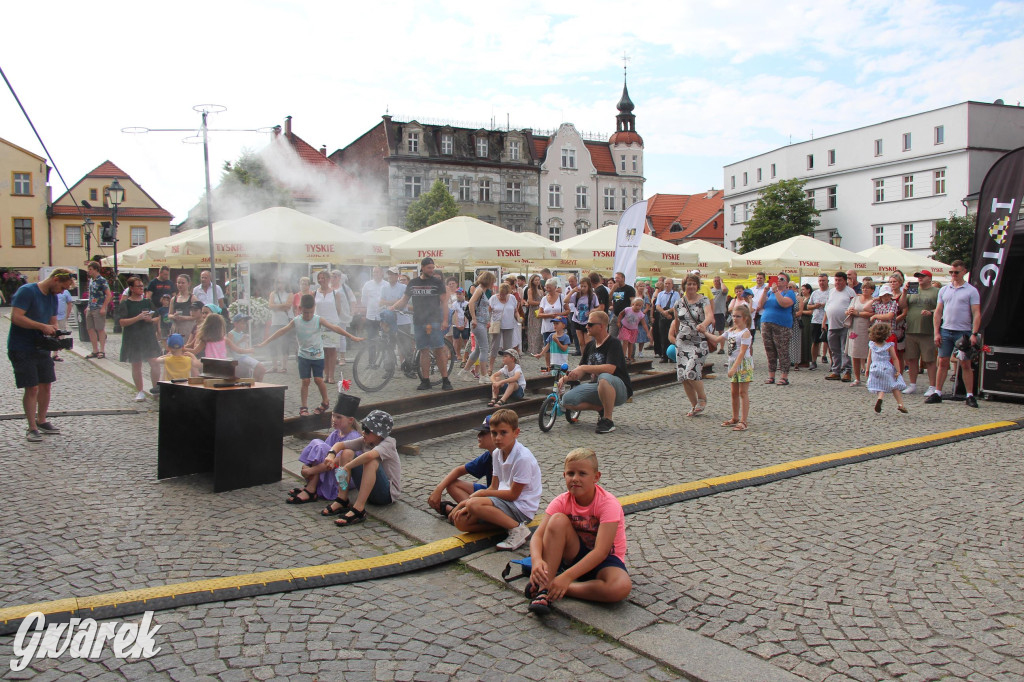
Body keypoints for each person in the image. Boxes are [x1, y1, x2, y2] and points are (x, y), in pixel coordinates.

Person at [525, 447, 631, 615]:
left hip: (604, 560)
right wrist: (537, 561)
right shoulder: (561, 501)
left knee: (620, 587)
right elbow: (537, 536)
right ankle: (544, 590)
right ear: (564, 476)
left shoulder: (608, 504)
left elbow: (601, 552)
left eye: (582, 474)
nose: (575, 479)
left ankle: (557, 587)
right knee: (557, 520)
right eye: (570, 474)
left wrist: (566, 579)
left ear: (596, 477)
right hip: (574, 554)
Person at [449, 409, 541, 551]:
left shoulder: (523, 458)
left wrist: (475, 498)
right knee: (461, 523)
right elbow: (493, 487)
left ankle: (518, 530)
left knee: (474, 504)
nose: (498, 438)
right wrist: (469, 501)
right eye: (494, 433)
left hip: (521, 508)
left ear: (516, 433)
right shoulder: (497, 453)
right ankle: (505, 525)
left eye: (503, 433)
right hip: (505, 503)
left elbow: (513, 495)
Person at [258, 294, 363, 416]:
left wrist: (351, 336)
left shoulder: (318, 319)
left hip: (317, 356)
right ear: (300, 309)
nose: (308, 315)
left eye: (310, 312)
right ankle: (304, 406)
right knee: (305, 381)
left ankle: (325, 401)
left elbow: (334, 328)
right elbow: (281, 331)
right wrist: (265, 342)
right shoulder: (296, 321)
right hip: (303, 356)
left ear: (314, 308)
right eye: (306, 312)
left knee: (318, 379)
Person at [8, 268, 76, 441]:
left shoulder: (52, 297)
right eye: (62, 288)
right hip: (22, 346)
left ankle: (42, 420)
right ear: (55, 280)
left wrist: (57, 335)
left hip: (41, 346)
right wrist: (41, 326)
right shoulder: (27, 291)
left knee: (46, 384)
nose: (62, 292)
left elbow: (52, 321)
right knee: (32, 387)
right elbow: (16, 317)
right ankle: (31, 427)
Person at [324, 410, 401, 527]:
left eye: (367, 430)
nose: (363, 432)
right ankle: (342, 499)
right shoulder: (365, 440)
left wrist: (346, 467)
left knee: (371, 461)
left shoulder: (389, 443)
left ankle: (359, 509)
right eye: (363, 428)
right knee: (347, 452)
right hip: (368, 489)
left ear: (379, 434)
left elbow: (369, 456)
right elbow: (341, 445)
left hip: (386, 494)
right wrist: (331, 454)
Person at [561, 310, 633, 434]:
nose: (586, 326)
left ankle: (608, 420)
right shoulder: (590, 346)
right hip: (598, 386)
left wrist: (584, 368)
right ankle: (601, 408)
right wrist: (566, 378)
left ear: (601, 326)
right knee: (566, 401)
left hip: (618, 388)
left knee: (604, 377)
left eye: (590, 324)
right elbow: (581, 370)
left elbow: (611, 368)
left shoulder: (613, 343)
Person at [391, 257, 453, 391]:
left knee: (438, 350)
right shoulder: (413, 283)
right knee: (423, 350)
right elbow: (404, 300)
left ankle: (445, 380)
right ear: (422, 268)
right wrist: (392, 308)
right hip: (419, 321)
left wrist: (445, 320)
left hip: (435, 321)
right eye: (429, 268)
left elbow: (444, 303)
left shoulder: (437, 282)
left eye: (432, 268)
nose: (432, 270)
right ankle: (425, 380)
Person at [288, 394, 362, 505]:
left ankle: (311, 489)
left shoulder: (353, 437)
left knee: (320, 445)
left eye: (338, 417)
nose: (334, 420)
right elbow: (322, 457)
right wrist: (307, 466)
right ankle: (311, 487)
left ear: (350, 420)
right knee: (317, 443)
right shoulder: (336, 433)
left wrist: (310, 471)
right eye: (333, 416)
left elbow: (335, 462)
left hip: (345, 477)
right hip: (332, 470)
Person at [928, 260, 981, 407]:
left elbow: (976, 313)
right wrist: (936, 332)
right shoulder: (944, 290)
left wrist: (974, 333)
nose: (953, 275)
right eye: (951, 272)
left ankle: (969, 395)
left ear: (964, 272)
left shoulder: (971, 290)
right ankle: (937, 392)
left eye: (956, 272)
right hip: (946, 330)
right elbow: (938, 312)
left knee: (965, 363)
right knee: (942, 361)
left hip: (963, 331)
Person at [428, 415, 496, 520]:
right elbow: (459, 470)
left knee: (465, 523)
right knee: (451, 484)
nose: (479, 435)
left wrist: (466, 503)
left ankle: (462, 512)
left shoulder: (507, 457)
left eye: (483, 433)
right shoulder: (488, 456)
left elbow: (504, 493)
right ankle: (471, 512)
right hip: (491, 494)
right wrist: (438, 489)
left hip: (502, 501)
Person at [702, 304, 753, 431]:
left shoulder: (745, 333)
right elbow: (718, 339)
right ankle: (735, 417)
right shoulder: (731, 331)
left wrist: (734, 368)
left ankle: (743, 420)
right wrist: (705, 332)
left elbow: (742, 352)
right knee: (734, 392)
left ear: (745, 318)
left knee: (743, 392)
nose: (735, 318)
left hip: (742, 364)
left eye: (738, 316)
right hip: (733, 362)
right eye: (733, 316)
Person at [669, 274, 714, 415]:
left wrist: (704, 324)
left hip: (698, 340)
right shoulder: (678, 302)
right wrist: (676, 338)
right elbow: (677, 320)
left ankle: (702, 398)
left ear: (697, 286)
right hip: (683, 341)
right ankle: (694, 405)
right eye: (689, 284)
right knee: (683, 376)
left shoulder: (703, 300)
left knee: (691, 371)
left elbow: (709, 316)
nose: (692, 286)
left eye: (694, 284)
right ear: (684, 286)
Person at [117, 277, 163, 401]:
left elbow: (158, 317)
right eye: (138, 286)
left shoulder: (147, 302)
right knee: (136, 364)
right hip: (133, 337)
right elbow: (121, 322)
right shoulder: (125, 304)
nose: (141, 288)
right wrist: (137, 318)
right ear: (131, 288)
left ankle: (156, 389)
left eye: (142, 286)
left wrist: (150, 320)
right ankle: (140, 391)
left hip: (148, 336)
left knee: (155, 362)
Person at [902, 270, 939, 397]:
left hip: (927, 330)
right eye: (918, 276)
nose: (920, 278)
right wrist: (904, 292)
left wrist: (931, 312)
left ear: (929, 278)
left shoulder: (936, 291)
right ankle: (912, 384)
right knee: (912, 359)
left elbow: (942, 308)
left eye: (923, 276)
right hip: (911, 329)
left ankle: (932, 386)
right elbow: (902, 305)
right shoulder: (913, 289)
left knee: (929, 360)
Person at [760, 273, 796, 386]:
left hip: (782, 325)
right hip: (766, 322)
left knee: (782, 350)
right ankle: (771, 375)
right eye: (777, 279)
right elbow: (761, 305)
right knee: (769, 350)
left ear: (787, 283)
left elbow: (784, 304)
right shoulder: (770, 292)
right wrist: (765, 291)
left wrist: (776, 292)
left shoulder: (789, 293)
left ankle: (784, 376)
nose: (779, 281)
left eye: (782, 279)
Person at [461, 270, 496, 382]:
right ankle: (483, 375)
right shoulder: (479, 290)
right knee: (484, 349)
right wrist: (474, 319)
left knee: (477, 350)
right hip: (478, 323)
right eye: (492, 281)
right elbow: (471, 303)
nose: (493, 284)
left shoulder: (482, 290)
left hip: (482, 323)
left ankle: (464, 371)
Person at [867, 322, 908, 413]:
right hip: (886, 368)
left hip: (875, 367)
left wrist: (867, 369)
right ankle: (900, 404)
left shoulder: (872, 345)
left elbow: (869, 357)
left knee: (879, 386)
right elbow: (895, 358)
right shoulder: (889, 346)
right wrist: (898, 370)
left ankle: (880, 398)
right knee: (894, 385)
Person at [823, 272, 856, 382]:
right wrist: (824, 321)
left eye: (839, 280)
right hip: (832, 325)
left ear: (845, 280)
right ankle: (836, 371)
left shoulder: (850, 292)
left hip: (845, 325)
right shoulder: (831, 292)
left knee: (845, 350)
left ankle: (847, 371)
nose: (837, 282)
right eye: (836, 280)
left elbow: (854, 306)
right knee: (834, 349)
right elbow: (828, 307)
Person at [314, 269, 343, 384]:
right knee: (323, 350)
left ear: (328, 279)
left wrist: (333, 321)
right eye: (319, 278)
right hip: (319, 323)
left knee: (332, 350)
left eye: (323, 278)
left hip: (332, 324)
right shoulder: (315, 293)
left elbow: (338, 309)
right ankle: (326, 374)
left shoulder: (335, 293)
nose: (321, 280)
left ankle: (331, 375)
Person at [846, 280, 876, 387]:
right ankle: (857, 378)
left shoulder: (874, 300)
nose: (865, 289)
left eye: (867, 288)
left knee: (869, 353)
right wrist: (849, 312)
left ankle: (870, 377)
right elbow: (847, 310)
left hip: (868, 327)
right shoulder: (855, 299)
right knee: (855, 353)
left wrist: (858, 313)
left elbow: (872, 313)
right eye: (863, 288)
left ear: (872, 290)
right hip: (855, 328)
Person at [487, 283, 520, 374]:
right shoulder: (493, 298)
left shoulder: (512, 298)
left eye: (504, 294)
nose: (502, 296)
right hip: (496, 325)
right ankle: (490, 366)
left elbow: (515, 311)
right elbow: (488, 312)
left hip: (509, 325)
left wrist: (518, 317)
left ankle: (507, 366)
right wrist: (488, 322)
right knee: (494, 346)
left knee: (508, 348)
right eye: (501, 294)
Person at [535, 279, 565, 373]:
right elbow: (539, 314)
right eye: (546, 287)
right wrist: (550, 315)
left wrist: (559, 314)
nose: (547, 289)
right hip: (547, 326)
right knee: (547, 346)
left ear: (555, 288)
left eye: (549, 288)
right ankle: (548, 367)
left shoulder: (561, 297)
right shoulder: (544, 299)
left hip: (558, 327)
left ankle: (559, 366)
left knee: (559, 347)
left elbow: (568, 311)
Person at [227, 313, 267, 381]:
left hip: (245, 356)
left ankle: (257, 384)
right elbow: (231, 348)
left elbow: (245, 347)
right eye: (242, 323)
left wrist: (247, 345)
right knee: (261, 368)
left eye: (245, 323)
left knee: (260, 371)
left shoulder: (242, 333)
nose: (244, 325)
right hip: (239, 357)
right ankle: (255, 384)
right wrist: (241, 340)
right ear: (235, 323)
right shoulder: (231, 333)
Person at [84, 261, 112, 359]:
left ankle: (102, 350)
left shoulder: (102, 280)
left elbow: (108, 295)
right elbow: (91, 295)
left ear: (96, 269)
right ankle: (95, 350)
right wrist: (88, 306)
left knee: (100, 329)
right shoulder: (92, 280)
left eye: (90, 269)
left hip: (99, 307)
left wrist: (104, 307)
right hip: (91, 306)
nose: (89, 271)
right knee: (90, 328)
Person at [329, 270, 357, 366]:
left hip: (342, 315)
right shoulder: (328, 287)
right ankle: (334, 357)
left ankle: (342, 358)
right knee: (332, 337)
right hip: (330, 315)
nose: (333, 279)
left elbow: (353, 299)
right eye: (332, 277)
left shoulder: (345, 288)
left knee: (341, 336)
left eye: (335, 277)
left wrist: (352, 312)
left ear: (339, 278)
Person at [266, 277, 294, 373]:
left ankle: (284, 366)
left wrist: (276, 307)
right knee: (272, 344)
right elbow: (270, 306)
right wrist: (281, 306)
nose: (280, 285)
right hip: (275, 322)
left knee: (284, 344)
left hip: (285, 322)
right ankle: (274, 366)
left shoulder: (289, 294)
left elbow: (288, 305)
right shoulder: (273, 294)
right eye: (278, 283)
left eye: (282, 283)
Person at [567, 277, 599, 357]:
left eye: (585, 286)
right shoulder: (577, 295)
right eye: (581, 286)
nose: (583, 288)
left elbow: (598, 307)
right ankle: (583, 357)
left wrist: (593, 311)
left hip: (588, 321)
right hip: (577, 320)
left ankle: (588, 357)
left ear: (589, 287)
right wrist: (572, 291)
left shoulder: (593, 296)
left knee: (588, 341)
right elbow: (565, 300)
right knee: (581, 342)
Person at [807, 274, 830, 370]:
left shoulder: (831, 292)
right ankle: (813, 361)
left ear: (827, 281)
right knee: (815, 341)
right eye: (820, 280)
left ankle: (833, 363)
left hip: (828, 320)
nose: (821, 282)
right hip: (816, 320)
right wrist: (815, 306)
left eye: (823, 280)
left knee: (829, 342)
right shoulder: (815, 293)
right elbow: (808, 306)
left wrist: (825, 305)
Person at [617, 297, 650, 364]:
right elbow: (620, 314)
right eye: (636, 305)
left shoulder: (641, 314)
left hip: (634, 330)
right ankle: (623, 357)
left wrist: (648, 333)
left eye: (640, 306)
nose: (638, 307)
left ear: (642, 306)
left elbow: (644, 324)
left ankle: (629, 357)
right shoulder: (627, 309)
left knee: (631, 343)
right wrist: (618, 322)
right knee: (625, 341)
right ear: (632, 304)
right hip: (625, 327)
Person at [653, 278, 679, 362]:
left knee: (672, 335)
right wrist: (664, 312)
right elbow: (657, 306)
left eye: (669, 283)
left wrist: (668, 312)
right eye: (666, 283)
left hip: (672, 316)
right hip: (662, 316)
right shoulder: (660, 294)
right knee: (663, 336)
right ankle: (664, 355)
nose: (667, 285)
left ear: (672, 285)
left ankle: (671, 356)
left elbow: (676, 305)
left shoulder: (676, 294)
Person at [608, 272, 635, 339]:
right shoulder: (615, 289)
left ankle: (630, 349)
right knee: (611, 336)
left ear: (623, 279)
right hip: (616, 315)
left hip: (626, 315)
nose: (616, 280)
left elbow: (633, 302)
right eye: (615, 278)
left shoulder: (629, 289)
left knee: (627, 338)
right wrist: (612, 290)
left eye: (618, 278)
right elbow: (609, 299)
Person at [52, 283, 74, 362]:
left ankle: (55, 354)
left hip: (61, 316)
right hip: (51, 316)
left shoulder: (66, 292)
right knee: (50, 334)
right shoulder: (52, 290)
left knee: (60, 335)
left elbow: (69, 303)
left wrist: (67, 314)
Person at [450, 287, 471, 365]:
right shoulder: (454, 304)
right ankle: (456, 354)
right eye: (457, 294)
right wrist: (457, 324)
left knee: (466, 339)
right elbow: (454, 314)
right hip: (456, 324)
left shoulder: (467, 304)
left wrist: (465, 323)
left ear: (463, 294)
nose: (458, 295)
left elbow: (467, 314)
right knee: (456, 339)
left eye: (460, 294)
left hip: (466, 324)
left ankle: (467, 354)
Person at [709, 276, 729, 353]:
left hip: (719, 313)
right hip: (711, 313)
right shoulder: (711, 290)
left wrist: (722, 282)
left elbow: (724, 289)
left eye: (718, 281)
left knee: (721, 331)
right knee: (711, 331)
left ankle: (722, 348)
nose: (716, 282)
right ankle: (712, 346)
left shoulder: (723, 290)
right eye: (715, 281)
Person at [750, 272, 769, 342]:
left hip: (762, 313)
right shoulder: (752, 289)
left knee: (764, 334)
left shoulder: (768, 289)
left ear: (764, 279)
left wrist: (759, 307)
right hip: (753, 314)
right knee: (750, 336)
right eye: (758, 278)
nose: (759, 279)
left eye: (761, 278)